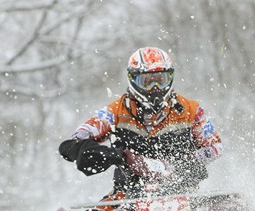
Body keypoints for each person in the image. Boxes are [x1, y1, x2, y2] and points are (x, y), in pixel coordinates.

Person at [59, 47, 223, 196]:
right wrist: (107, 153)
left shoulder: (191, 111)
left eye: (161, 80)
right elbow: (79, 136)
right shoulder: (114, 112)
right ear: (133, 79)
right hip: (128, 194)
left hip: (182, 193)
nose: (155, 87)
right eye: (148, 81)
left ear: (170, 78)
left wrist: (180, 165)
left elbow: (215, 147)